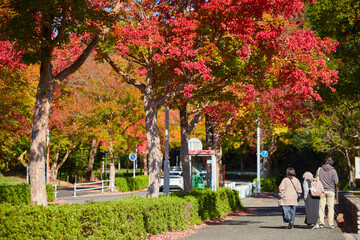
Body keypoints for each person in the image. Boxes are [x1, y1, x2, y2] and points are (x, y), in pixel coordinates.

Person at [315, 157, 339, 229]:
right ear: (332, 163)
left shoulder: (320, 169)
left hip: (321, 191)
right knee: (330, 207)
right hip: (331, 191)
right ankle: (331, 224)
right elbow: (336, 181)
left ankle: (321, 223)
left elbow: (316, 179)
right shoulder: (333, 171)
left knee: (321, 207)